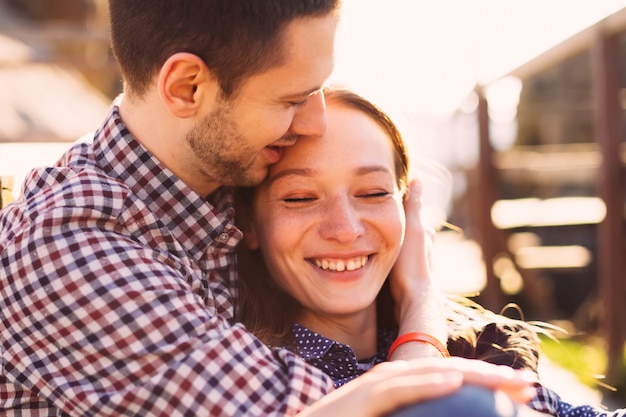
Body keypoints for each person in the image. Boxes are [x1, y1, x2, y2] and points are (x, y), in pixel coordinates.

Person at [0, 2, 539, 416]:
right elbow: (370, 410)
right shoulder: (70, 244)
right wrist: (420, 306)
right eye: (292, 99)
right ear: (187, 87)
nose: (316, 123)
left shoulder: (213, 194)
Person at [235, 87, 626, 417]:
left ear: (408, 211)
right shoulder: (239, 380)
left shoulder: (477, 348)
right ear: (249, 223)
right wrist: (421, 293)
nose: (345, 229)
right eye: (300, 198)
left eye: (373, 193)